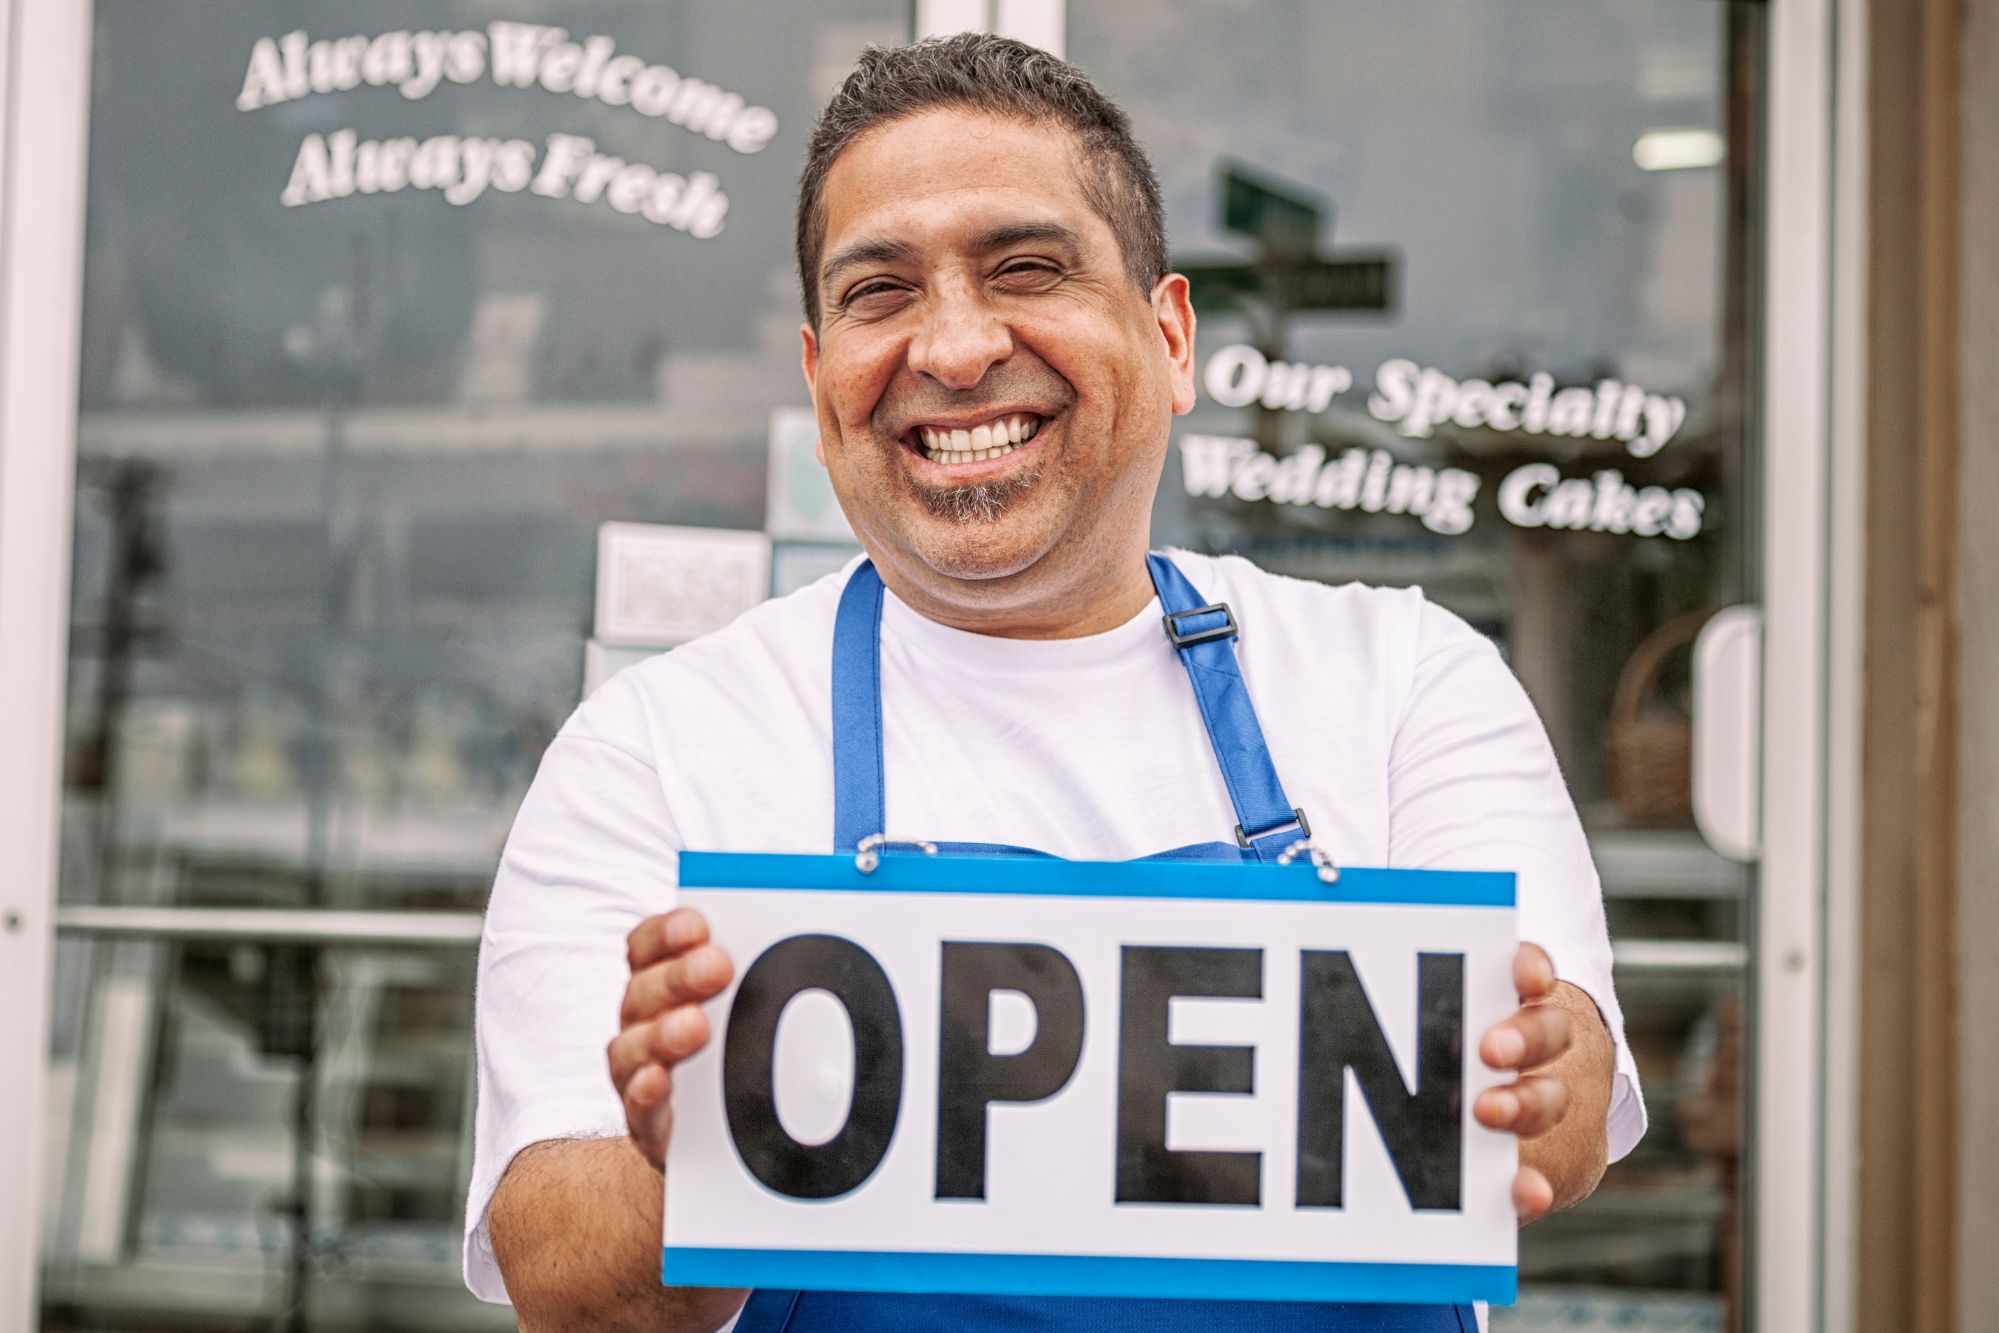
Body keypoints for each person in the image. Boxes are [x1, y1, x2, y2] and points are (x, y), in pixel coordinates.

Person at [465, 32, 1645, 1333]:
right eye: (880, 293)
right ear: (819, 382)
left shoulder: (1404, 683)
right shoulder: (659, 745)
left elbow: (1568, 1118)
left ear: (1173, 336)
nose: (956, 348)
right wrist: (697, 1151)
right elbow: (566, 1288)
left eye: (1026, 268)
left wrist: (1535, 1071)